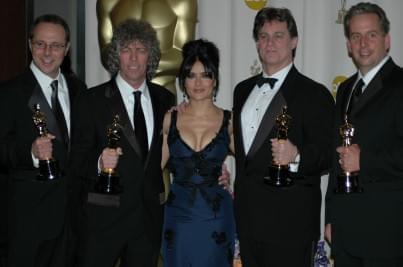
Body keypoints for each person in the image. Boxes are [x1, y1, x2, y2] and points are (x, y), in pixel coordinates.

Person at [232, 7, 334, 267]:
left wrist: (296, 156)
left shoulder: (315, 93)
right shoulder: (242, 91)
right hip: (247, 223)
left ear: (294, 41)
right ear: (257, 43)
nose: (269, 42)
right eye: (263, 36)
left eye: (278, 35)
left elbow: (328, 154)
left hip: (291, 226)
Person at [71, 19, 175, 267]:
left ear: (150, 55)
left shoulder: (165, 99)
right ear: (117, 54)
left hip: (148, 219)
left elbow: (173, 149)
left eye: (141, 49)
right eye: (127, 49)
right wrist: (99, 162)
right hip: (102, 220)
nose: (133, 58)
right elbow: (74, 160)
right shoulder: (90, 100)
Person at [0, 14, 86, 267]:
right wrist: (30, 152)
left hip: (73, 220)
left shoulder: (80, 90)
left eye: (56, 45)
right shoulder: (8, 93)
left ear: (67, 49)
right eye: (40, 44)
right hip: (29, 221)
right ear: (30, 45)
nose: (47, 52)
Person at [325, 2, 403, 266]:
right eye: (356, 36)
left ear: (387, 40)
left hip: (387, 234)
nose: (363, 43)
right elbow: (337, 156)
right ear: (348, 45)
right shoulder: (345, 89)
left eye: (371, 34)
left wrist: (364, 161)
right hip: (346, 233)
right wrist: (330, 217)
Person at [161, 39, 235, 266]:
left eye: (205, 75)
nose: (198, 82)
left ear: (215, 80)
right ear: (183, 80)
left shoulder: (229, 121)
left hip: (217, 219)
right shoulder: (170, 119)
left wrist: (231, 180)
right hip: (178, 218)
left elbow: (254, 165)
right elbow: (151, 170)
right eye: (192, 75)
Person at [97, 0, 197, 93]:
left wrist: (139, 65)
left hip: (162, 92)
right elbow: (106, 52)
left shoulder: (182, 2)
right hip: (119, 93)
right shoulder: (108, 2)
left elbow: (185, 57)